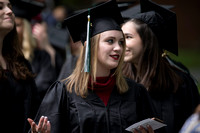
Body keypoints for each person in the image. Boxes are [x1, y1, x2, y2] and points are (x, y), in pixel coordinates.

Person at [27, 1, 156, 133]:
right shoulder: (64, 92)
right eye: (110, 41)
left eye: (121, 42)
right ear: (91, 46)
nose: (118, 48)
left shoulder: (135, 92)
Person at [121, 0, 200, 133]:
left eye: (128, 37)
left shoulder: (181, 83)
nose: (121, 44)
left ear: (147, 41)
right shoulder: (120, 81)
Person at [0, 0, 40, 132]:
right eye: (0, 7)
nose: (10, 11)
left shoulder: (20, 64)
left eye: (10, 6)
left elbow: (34, 107)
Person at [12, 0, 58, 102]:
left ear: (26, 28)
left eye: (18, 25)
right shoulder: (4, 56)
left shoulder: (41, 57)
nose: (13, 29)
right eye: (12, 24)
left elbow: (44, 86)